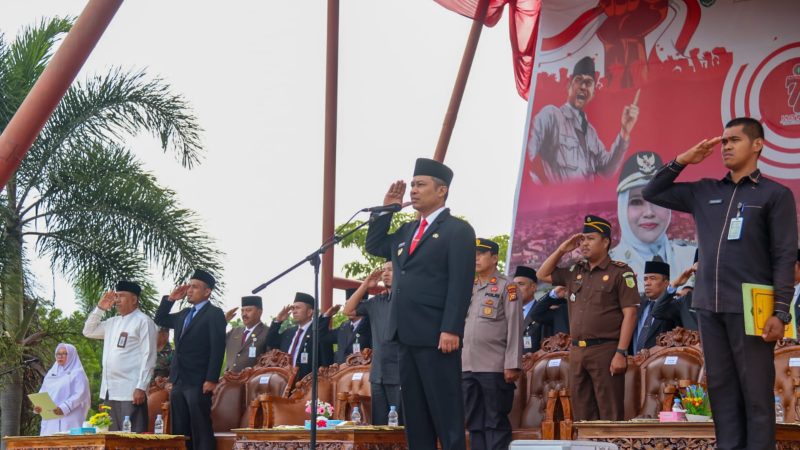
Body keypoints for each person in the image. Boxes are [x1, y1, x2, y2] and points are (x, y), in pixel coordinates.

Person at [643, 117, 798, 449]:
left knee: (756, 396)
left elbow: (785, 257)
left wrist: (781, 312)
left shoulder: (775, 194)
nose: (725, 146)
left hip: (751, 309)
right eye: (723, 141)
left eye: (734, 140)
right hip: (708, 308)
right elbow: (651, 191)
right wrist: (683, 160)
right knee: (723, 395)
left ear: (757, 145)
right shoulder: (704, 191)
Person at [366, 158, 475, 450]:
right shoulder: (405, 232)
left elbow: (460, 282)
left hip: (437, 335)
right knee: (415, 418)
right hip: (405, 334)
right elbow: (374, 246)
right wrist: (386, 209)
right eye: (412, 185)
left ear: (441, 191)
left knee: (446, 415)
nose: (413, 190)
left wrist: (451, 328)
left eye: (420, 185)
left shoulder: (457, 230)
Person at [536, 215, 639, 421]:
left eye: (590, 238)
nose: (584, 244)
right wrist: (562, 250)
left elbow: (631, 313)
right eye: (582, 239)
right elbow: (542, 274)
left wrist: (621, 352)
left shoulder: (620, 272)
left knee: (609, 414)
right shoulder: (575, 272)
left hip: (606, 350)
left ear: (606, 242)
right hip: (577, 351)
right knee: (582, 415)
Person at [526, 56, 639, 183]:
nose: (584, 87)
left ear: (593, 93)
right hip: (558, 200)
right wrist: (544, 192)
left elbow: (607, 170)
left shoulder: (591, 133)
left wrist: (624, 132)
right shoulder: (551, 115)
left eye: (589, 83)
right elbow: (528, 161)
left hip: (587, 201)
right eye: (579, 80)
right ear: (569, 86)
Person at [154, 269, 226, 450]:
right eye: (189, 287)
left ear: (207, 291)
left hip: (199, 380)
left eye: (195, 287)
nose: (190, 290)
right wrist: (171, 299)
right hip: (179, 380)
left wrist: (211, 378)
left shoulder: (214, 313)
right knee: (180, 429)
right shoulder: (184, 313)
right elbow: (160, 318)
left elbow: (218, 347)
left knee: (200, 427)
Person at [462, 238, 522, 450]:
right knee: (474, 422)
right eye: (473, 253)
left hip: (494, 366)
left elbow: (515, 325)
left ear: (495, 258)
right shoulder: (466, 287)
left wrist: (512, 363)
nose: (476, 257)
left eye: (481, 253)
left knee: (495, 421)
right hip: (467, 365)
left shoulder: (508, 286)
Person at [609, 151, 697, 291]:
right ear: (622, 208)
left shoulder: (691, 257)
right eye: (637, 202)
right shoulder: (609, 265)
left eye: (657, 201)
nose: (649, 213)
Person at [82, 281, 156, 432]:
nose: (116, 300)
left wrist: (141, 387)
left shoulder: (143, 321)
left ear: (134, 300)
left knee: (131, 440)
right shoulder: (112, 322)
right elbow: (88, 331)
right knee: (112, 438)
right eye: (116, 296)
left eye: (121, 296)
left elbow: (149, 356)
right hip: (110, 390)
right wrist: (100, 308)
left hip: (131, 391)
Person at [344, 262, 403, 425]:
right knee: (379, 425)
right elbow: (348, 310)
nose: (385, 273)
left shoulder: (407, 298)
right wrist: (366, 285)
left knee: (400, 425)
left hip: (399, 371)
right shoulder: (377, 301)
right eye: (383, 270)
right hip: (378, 373)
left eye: (390, 270)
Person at [266, 292, 333, 383]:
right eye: (293, 308)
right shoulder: (289, 332)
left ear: (309, 312)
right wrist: (278, 321)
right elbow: (270, 341)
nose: (294, 311)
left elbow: (326, 361)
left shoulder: (318, 332)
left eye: (298, 308)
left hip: (307, 384)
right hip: (285, 381)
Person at [35, 343, 91, 435]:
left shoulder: (77, 372)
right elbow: (43, 391)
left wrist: (63, 408)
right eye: (58, 354)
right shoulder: (51, 373)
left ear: (72, 355)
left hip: (69, 418)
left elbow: (81, 394)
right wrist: (39, 405)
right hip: (50, 418)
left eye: (64, 353)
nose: (60, 356)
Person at [630, 261, 677, 355]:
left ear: (666, 283)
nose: (647, 283)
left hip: (660, 364)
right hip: (633, 363)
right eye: (645, 279)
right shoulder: (638, 306)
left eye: (653, 278)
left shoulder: (674, 307)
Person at [652, 253, 699, 331]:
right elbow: (658, 312)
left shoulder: (724, 299)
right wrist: (675, 284)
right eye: (698, 270)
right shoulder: (687, 300)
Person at [224, 296, 269, 372]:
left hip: (251, 381)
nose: (244, 314)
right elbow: (215, 342)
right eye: (242, 311)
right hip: (228, 379)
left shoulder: (267, 332)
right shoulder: (234, 331)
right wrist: (223, 322)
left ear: (259, 312)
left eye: (248, 310)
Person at [515, 265, 544, 353]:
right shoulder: (505, 312)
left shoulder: (543, 312)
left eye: (521, 284)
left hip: (532, 364)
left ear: (533, 287)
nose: (515, 288)